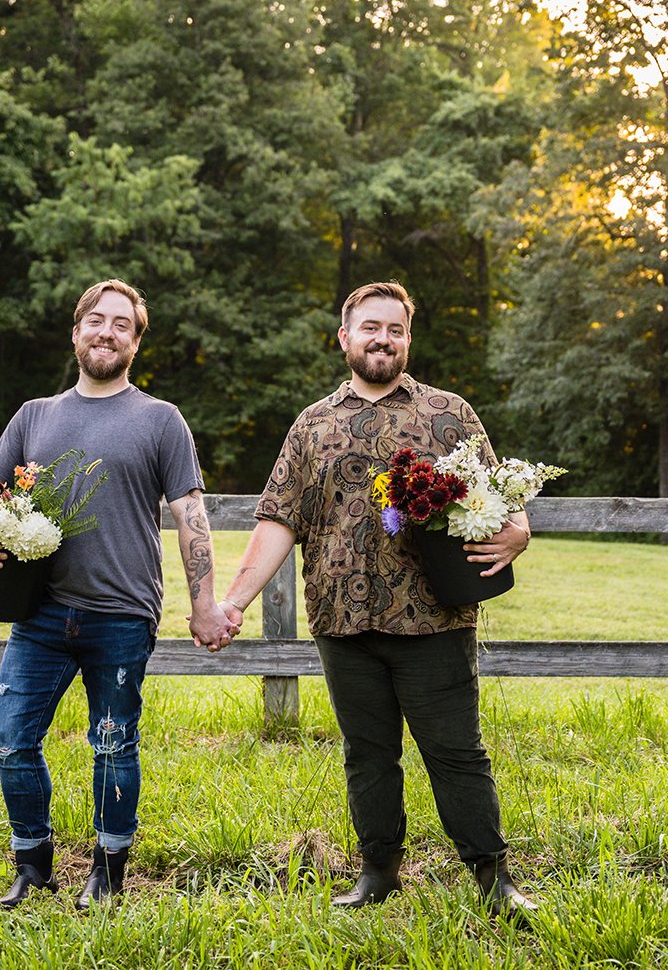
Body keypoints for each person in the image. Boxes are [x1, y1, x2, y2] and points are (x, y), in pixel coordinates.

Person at [218, 281, 537, 918]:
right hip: (342, 621)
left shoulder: (449, 415)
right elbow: (280, 520)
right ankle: (379, 872)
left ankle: (493, 876)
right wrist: (234, 603)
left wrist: (519, 531)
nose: (382, 339)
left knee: (455, 751)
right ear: (345, 337)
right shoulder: (312, 425)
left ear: (408, 338)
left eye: (394, 329)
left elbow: (501, 503)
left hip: (433, 619)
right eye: (369, 328)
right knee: (367, 753)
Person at [0, 278, 236, 911]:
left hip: (123, 614)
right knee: (11, 736)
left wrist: (205, 603)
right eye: (96, 320)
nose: (107, 331)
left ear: (136, 341)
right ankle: (34, 866)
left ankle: (107, 873)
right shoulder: (34, 416)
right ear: (76, 332)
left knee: (114, 741)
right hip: (41, 612)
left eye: (122, 324)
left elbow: (192, 516)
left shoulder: (161, 420)